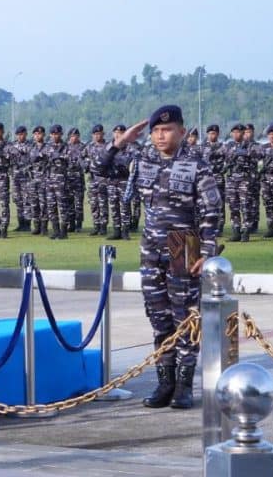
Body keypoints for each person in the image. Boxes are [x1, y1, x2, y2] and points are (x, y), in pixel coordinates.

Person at [97, 105, 221, 410]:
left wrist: (207, 251)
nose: (161, 135)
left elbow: (212, 209)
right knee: (158, 315)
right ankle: (164, 382)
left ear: (182, 131)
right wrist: (120, 143)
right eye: (155, 131)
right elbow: (100, 168)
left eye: (167, 130)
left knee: (185, 316)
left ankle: (184, 386)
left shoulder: (196, 165)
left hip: (184, 244)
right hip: (151, 247)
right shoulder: (143, 160)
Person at [41, 124, 71, 239]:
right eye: (53, 134)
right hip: (49, 180)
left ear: (61, 134)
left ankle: (64, 231)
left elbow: (71, 162)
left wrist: (60, 158)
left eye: (57, 134)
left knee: (63, 206)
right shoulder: (47, 148)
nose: (55, 136)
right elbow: (42, 161)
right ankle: (56, 231)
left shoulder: (66, 147)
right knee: (51, 207)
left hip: (61, 181)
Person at [200, 125, 227, 232]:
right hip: (206, 178)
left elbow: (229, 160)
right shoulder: (202, 147)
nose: (212, 135)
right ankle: (207, 224)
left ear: (218, 134)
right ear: (207, 134)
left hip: (218, 177)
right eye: (210, 133)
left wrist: (223, 169)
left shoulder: (223, 147)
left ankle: (220, 225)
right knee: (205, 202)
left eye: (214, 133)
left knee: (220, 202)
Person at [85, 124, 109, 236]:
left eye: (99, 134)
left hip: (104, 179)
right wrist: (85, 165)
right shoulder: (89, 147)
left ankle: (103, 226)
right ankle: (96, 225)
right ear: (92, 135)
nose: (97, 136)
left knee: (103, 203)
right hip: (92, 179)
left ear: (103, 134)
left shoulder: (107, 146)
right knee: (94, 204)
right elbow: (81, 158)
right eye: (95, 134)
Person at [27, 126, 48, 235]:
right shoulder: (30, 148)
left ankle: (44, 226)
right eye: (35, 134)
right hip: (32, 179)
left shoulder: (48, 148)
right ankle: (36, 226)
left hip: (44, 179)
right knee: (34, 204)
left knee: (44, 203)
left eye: (39, 134)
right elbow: (26, 161)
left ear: (43, 135)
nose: (37, 136)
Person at [11, 126, 32, 231]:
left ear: (26, 134)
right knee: (17, 200)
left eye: (22, 134)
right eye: (18, 135)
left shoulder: (30, 145)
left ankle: (27, 224)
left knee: (27, 200)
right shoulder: (12, 145)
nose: (20, 137)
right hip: (15, 177)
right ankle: (21, 223)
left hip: (26, 177)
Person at [66, 127, 86, 232]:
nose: (74, 138)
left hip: (78, 179)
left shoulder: (83, 147)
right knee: (69, 203)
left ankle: (79, 224)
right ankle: (71, 224)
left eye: (76, 136)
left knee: (78, 204)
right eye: (72, 136)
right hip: (68, 179)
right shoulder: (65, 147)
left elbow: (86, 161)